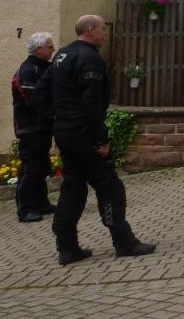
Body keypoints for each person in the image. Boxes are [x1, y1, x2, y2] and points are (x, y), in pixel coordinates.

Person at [49, 14, 155, 265]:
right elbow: (92, 104)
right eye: (102, 29)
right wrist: (100, 139)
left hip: (64, 130)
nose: (105, 34)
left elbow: (44, 92)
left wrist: (55, 122)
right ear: (90, 30)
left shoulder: (61, 56)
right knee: (110, 186)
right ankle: (124, 241)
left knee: (73, 186)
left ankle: (67, 247)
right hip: (83, 133)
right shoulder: (90, 60)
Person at [12, 32, 55, 222]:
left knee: (42, 165)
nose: (52, 49)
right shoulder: (28, 70)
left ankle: (41, 203)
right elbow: (34, 100)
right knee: (30, 167)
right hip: (29, 128)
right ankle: (25, 209)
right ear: (38, 49)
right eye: (49, 46)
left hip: (42, 126)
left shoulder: (45, 67)